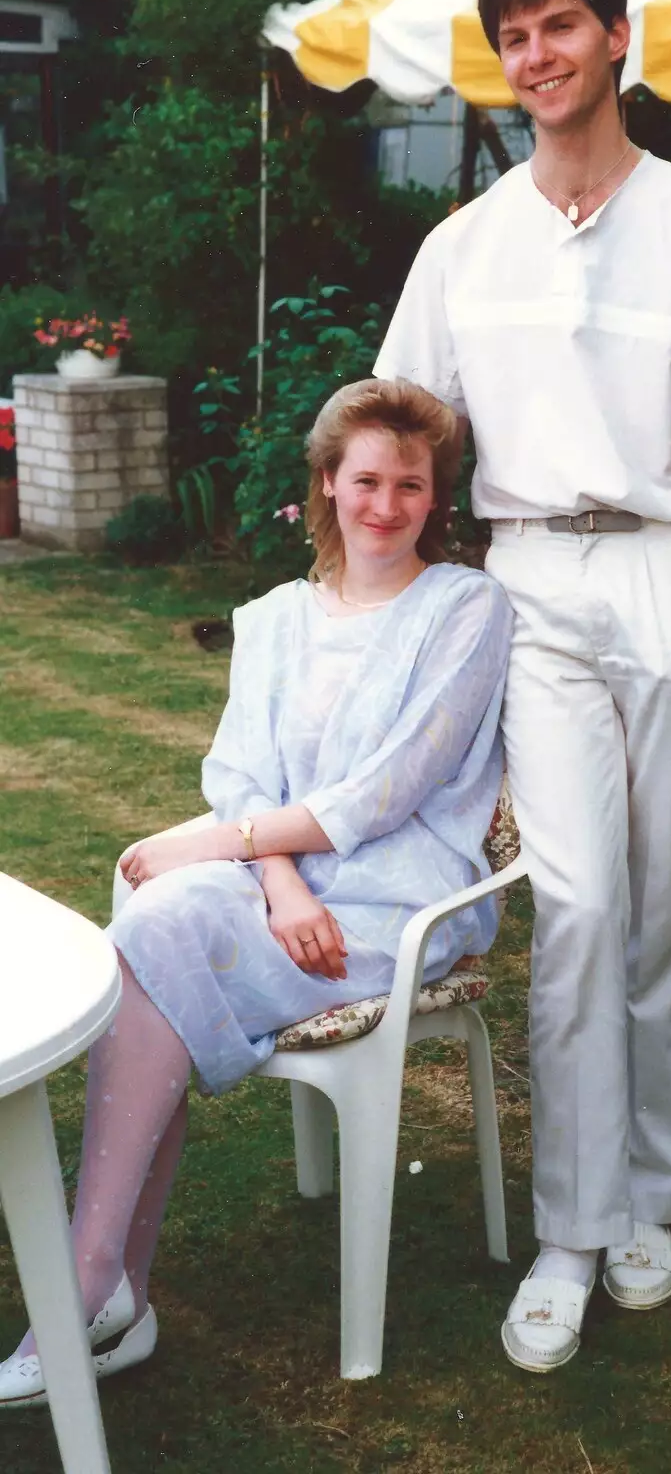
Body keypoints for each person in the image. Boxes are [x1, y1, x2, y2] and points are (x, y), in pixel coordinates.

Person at [373, 0, 671, 1372]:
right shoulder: (463, 245)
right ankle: (568, 1230)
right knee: (577, 912)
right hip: (533, 583)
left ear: (618, 38)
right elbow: (409, 434)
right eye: (514, 37)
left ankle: (652, 1203)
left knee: (663, 910)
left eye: (560, 26)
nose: (537, 56)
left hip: (663, 575)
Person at [0, 377, 512, 1408]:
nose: (385, 503)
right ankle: (103, 1287)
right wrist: (268, 874)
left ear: (433, 497)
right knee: (158, 920)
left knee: (157, 928)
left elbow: (389, 789)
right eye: (365, 478)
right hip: (285, 890)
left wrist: (221, 843)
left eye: (410, 484)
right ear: (327, 484)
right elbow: (242, 774)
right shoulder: (276, 617)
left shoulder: (466, 607)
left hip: (390, 895)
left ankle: (93, 1287)